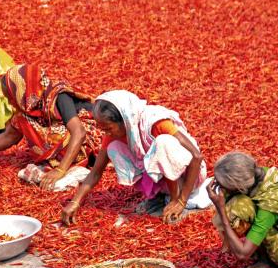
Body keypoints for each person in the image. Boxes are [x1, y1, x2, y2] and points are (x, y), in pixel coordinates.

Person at [61, 90, 208, 226]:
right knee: (114, 148)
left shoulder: (155, 123)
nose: (106, 133)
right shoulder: (114, 136)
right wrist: (75, 202)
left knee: (163, 143)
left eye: (108, 128)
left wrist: (181, 202)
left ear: (125, 120)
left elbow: (197, 156)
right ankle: (158, 196)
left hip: (188, 177)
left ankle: (174, 199)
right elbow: (95, 172)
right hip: (163, 181)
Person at [0, 64, 102, 191]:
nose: (10, 103)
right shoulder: (30, 106)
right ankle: (61, 160)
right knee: (23, 118)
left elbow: (79, 132)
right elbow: (9, 136)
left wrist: (60, 170)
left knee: (55, 132)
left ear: (22, 91)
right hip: (76, 137)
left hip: (93, 135)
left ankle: (70, 162)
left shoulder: (58, 94)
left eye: (10, 97)